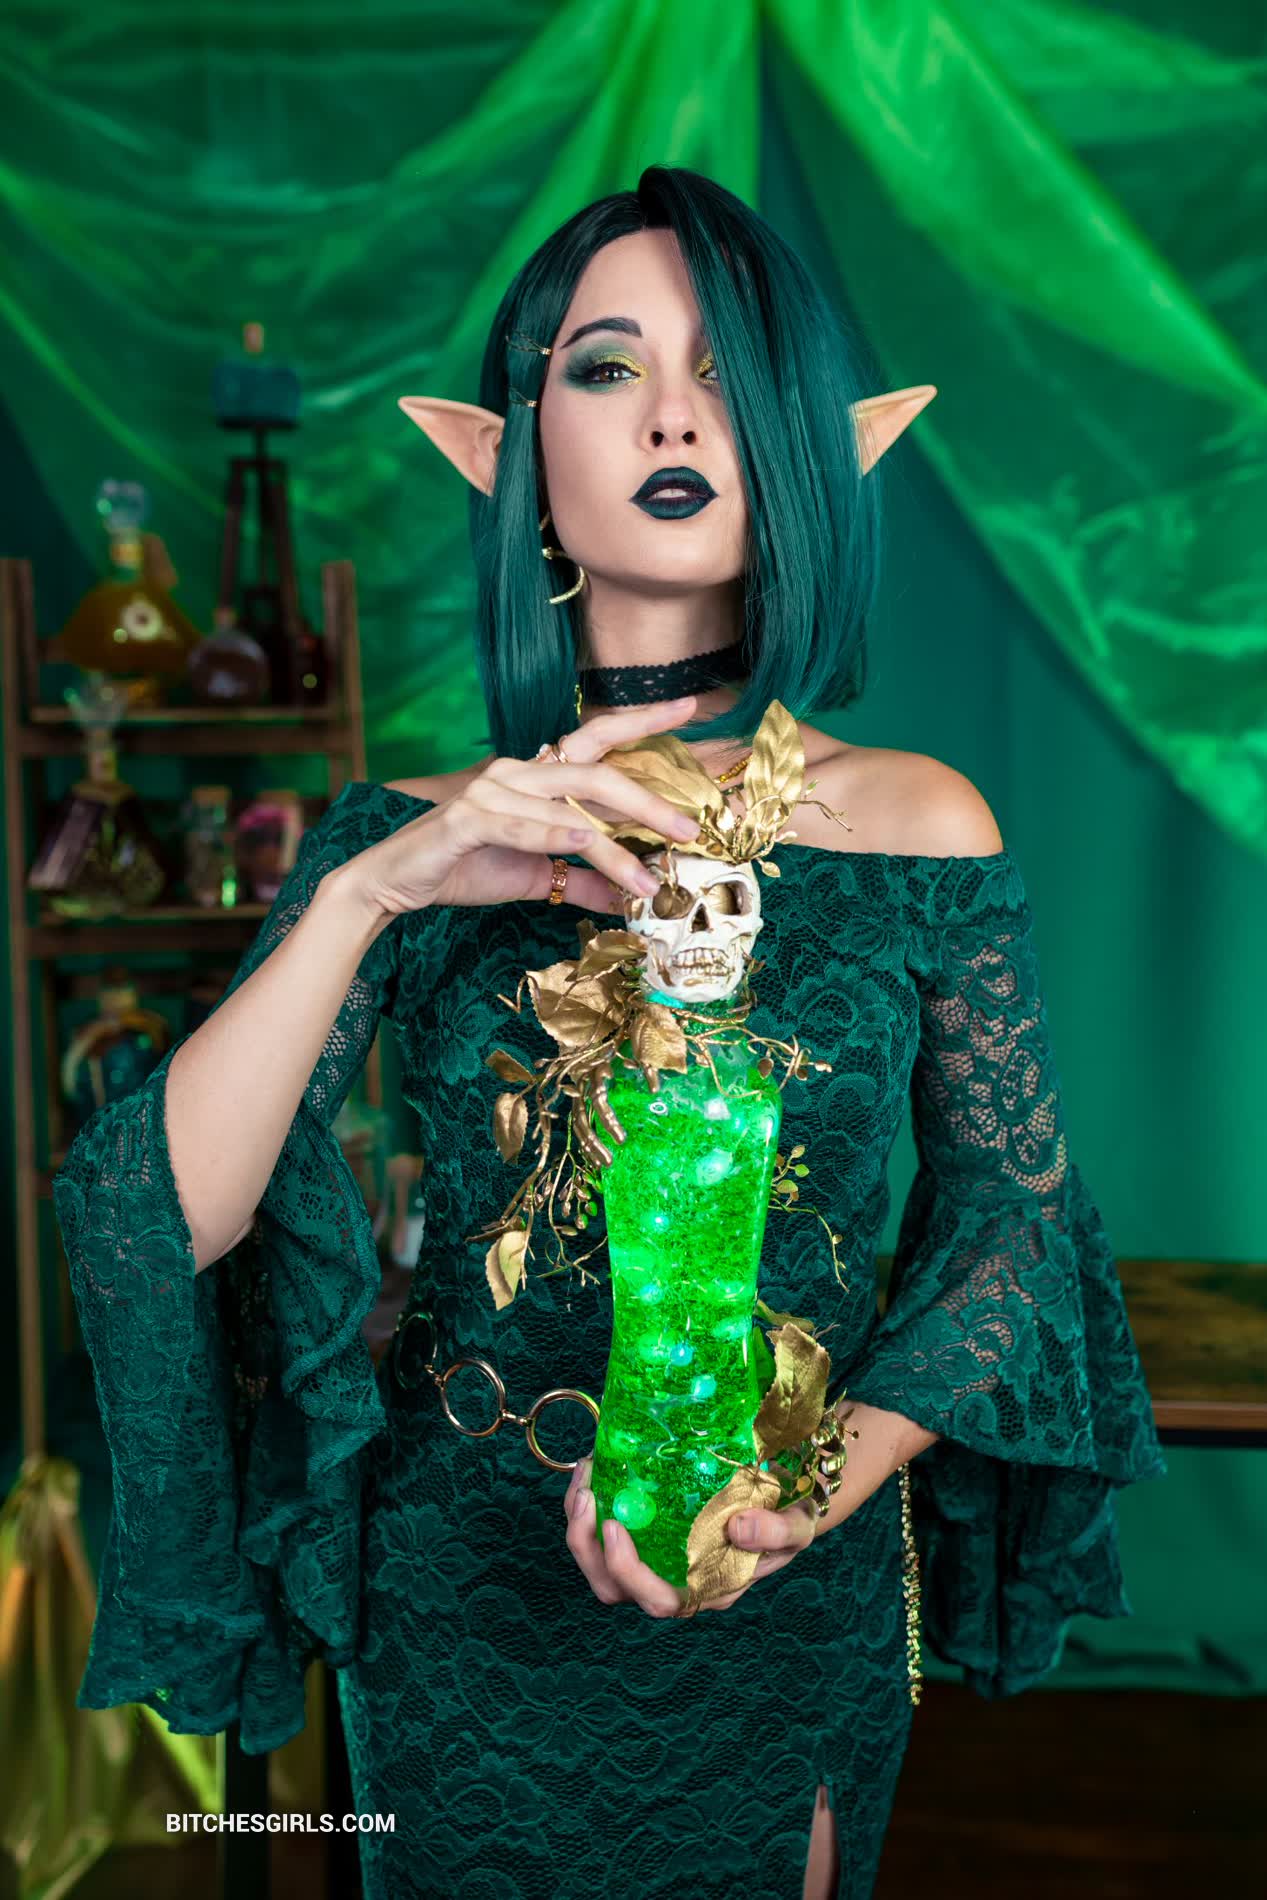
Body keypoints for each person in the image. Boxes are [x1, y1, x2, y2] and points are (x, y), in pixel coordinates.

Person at [53, 166, 1166, 1900]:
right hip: (459, 1597)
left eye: (730, 371)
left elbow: (1014, 1243)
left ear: (809, 448)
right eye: (606, 365)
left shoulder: (916, 823)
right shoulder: (410, 838)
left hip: (778, 1576)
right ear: (512, 460)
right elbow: (149, 1217)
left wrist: (811, 1487)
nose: (671, 413)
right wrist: (368, 895)